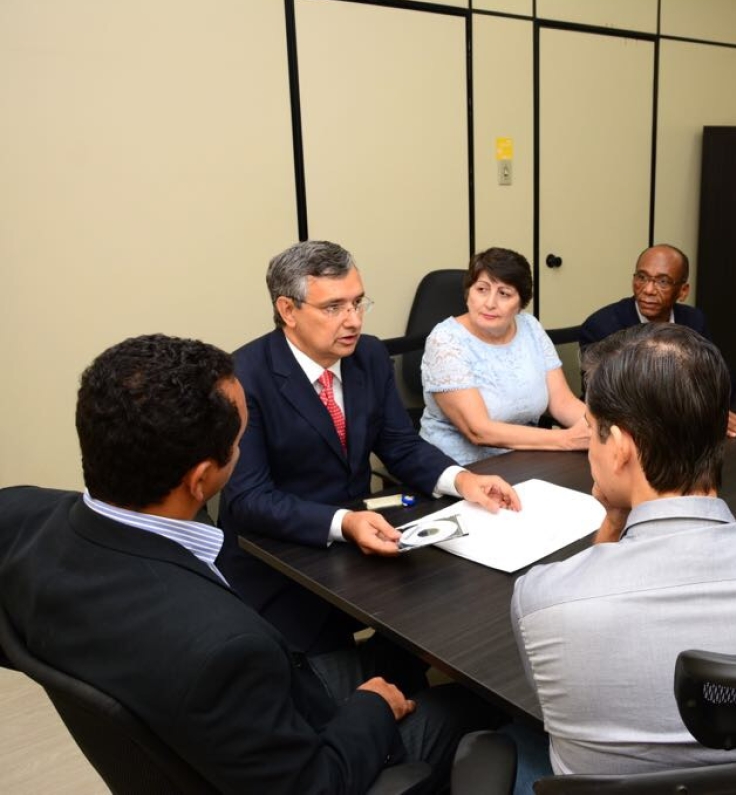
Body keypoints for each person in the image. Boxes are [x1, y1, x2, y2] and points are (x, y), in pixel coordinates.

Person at [0, 335, 483, 793]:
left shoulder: (15, 515)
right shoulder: (225, 648)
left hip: (201, 724)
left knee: (393, 654)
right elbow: (315, 784)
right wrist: (372, 706)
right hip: (304, 746)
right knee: (474, 706)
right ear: (203, 480)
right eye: (240, 439)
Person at [511, 323, 736, 777]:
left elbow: (558, 710)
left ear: (618, 449)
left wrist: (615, 516)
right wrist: (621, 513)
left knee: (505, 739)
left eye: (593, 431)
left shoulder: (542, 600)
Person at [218, 240, 519, 683]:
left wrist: (462, 480)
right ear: (288, 309)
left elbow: (400, 445)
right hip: (277, 565)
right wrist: (343, 522)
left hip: (360, 551)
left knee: (450, 626)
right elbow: (247, 499)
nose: (354, 320)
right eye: (334, 307)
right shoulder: (246, 376)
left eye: (358, 302)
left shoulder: (370, 356)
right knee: (331, 694)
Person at [419, 247, 588, 465]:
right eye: (481, 289)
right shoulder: (445, 340)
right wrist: (567, 439)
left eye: (504, 293)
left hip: (523, 459)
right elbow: (479, 430)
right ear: (468, 293)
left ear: (521, 303)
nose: (490, 303)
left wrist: (605, 428)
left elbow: (562, 403)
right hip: (457, 468)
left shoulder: (530, 327)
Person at [579, 243, 736, 438]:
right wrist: (695, 413)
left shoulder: (693, 320)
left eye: (663, 282)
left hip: (683, 439)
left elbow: (722, 381)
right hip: (625, 439)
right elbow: (611, 400)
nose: (649, 290)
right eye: (642, 278)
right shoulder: (603, 327)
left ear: (683, 291)